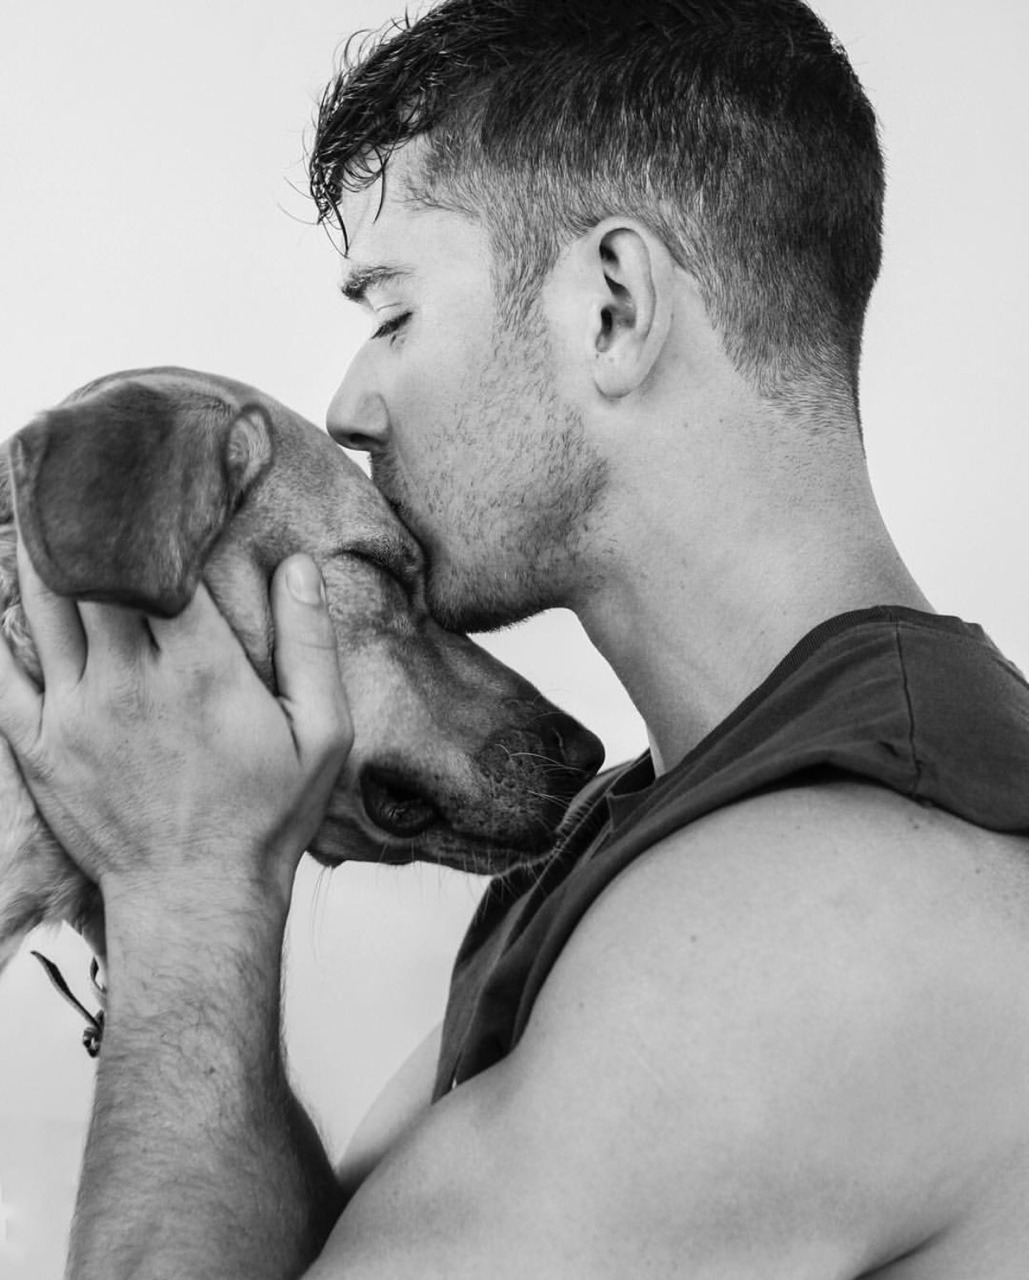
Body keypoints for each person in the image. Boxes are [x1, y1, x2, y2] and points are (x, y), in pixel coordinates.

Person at [3, 0, 1029, 1275]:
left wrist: (189, 885)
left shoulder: (818, 923)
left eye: (393, 315)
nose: (349, 403)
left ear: (611, 307)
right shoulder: (668, 840)